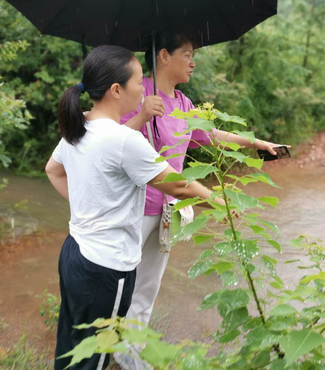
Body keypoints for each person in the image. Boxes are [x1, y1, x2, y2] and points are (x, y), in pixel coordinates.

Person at [114, 32, 285, 370]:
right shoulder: (137, 91)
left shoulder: (182, 103)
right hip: (132, 207)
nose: (193, 62)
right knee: (118, 285)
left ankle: (128, 357)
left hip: (168, 209)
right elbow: (110, 142)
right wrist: (142, 116)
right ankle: (102, 349)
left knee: (147, 287)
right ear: (163, 56)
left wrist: (256, 143)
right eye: (187, 54)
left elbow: (211, 135)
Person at [45, 45, 220, 370]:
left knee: (71, 344)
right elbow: (178, 185)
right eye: (139, 82)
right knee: (94, 357)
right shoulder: (126, 141)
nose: (143, 89)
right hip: (106, 267)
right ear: (116, 90)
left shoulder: (79, 125)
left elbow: (52, 171)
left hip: (74, 252)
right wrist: (221, 201)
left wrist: (88, 206)